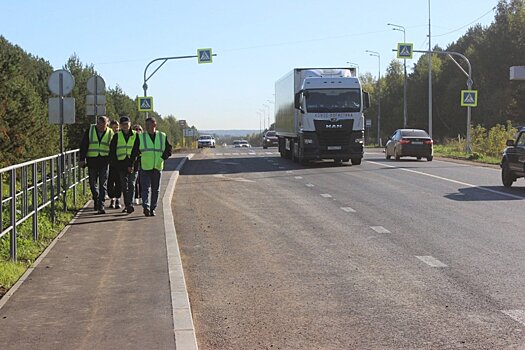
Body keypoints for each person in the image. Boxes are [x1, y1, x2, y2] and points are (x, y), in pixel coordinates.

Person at [130, 117, 172, 217]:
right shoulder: (141, 137)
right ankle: (146, 207)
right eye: (146, 125)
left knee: (155, 189)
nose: (147, 127)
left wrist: (162, 158)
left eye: (149, 125)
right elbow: (134, 152)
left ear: (154, 125)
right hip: (145, 166)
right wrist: (130, 164)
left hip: (157, 166)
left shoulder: (162, 136)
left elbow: (169, 150)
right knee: (145, 188)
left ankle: (152, 208)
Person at [79, 116, 114, 214]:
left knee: (103, 184)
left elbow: (113, 147)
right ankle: (96, 197)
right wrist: (82, 159)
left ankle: (101, 205)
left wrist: (112, 160)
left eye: (103, 125)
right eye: (99, 124)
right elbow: (84, 145)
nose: (101, 127)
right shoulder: (90, 130)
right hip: (92, 160)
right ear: (97, 123)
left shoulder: (110, 132)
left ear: (107, 124)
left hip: (104, 161)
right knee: (92, 183)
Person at [109, 116, 138, 214]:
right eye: (123, 124)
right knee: (124, 186)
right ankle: (128, 205)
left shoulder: (136, 135)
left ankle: (129, 204)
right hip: (121, 164)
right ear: (120, 125)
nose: (125, 126)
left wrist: (132, 164)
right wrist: (115, 163)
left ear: (130, 124)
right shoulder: (117, 136)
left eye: (127, 124)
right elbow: (112, 150)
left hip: (133, 164)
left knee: (131, 184)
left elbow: (137, 150)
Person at [107, 120, 122, 209]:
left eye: (116, 127)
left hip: (119, 161)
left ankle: (117, 199)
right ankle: (112, 198)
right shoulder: (108, 135)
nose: (115, 129)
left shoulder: (120, 136)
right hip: (108, 161)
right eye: (113, 127)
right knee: (110, 182)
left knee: (119, 182)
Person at [132, 124, 143, 205]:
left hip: (143, 161)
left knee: (142, 180)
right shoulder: (131, 139)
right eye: (136, 129)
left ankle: (142, 197)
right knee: (135, 181)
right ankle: (136, 197)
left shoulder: (144, 139)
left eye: (139, 129)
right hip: (135, 162)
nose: (137, 131)